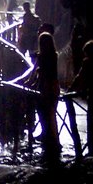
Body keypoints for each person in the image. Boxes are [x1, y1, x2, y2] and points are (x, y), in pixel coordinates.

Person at [35, 31, 61, 160]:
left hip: (45, 86)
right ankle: (53, 138)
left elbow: (41, 71)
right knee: (51, 114)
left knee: (43, 112)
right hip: (54, 86)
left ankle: (48, 136)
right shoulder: (54, 55)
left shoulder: (42, 57)